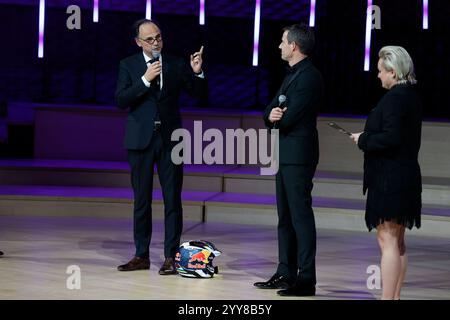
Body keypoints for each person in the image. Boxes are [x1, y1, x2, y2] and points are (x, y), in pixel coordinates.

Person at [115, 19, 207, 274]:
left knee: (172, 200)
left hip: (170, 140)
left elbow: (199, 96)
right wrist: (144, 80)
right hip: (140, 140)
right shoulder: (129, 65)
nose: (156, 43)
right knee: (141, 200)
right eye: (150, 39)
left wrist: (197, 72)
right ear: (138, 42)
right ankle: (141, 255)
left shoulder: (176, 63)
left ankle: (171, 256)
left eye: (159, 37)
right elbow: (121, 99)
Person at [254, 24, 324, 296]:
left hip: (299, 154)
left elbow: (290, 116)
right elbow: (269, 110)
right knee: (285, 217)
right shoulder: (291, 75)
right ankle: (285, 272)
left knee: (300, 217)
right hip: (284, 152)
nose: (279, 46)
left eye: (283, 41)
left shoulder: (309, 77)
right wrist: (270, 115)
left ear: (294, 46)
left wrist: (276, 116)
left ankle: (306, 279)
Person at [350, 46, 422, 300]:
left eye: (381, 71)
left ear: (393, 71)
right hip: (405, 174)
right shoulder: (410, 95)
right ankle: (394, 297)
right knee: (398, 242)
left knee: (388, 241)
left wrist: (364, 139)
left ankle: (387, 298)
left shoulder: (395, 98)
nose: (378, 75)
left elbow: (391, 137)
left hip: (390, 177)